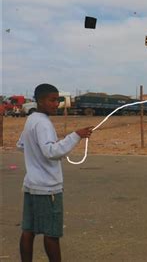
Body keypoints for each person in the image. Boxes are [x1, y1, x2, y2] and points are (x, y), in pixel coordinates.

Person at [16, 83, 93, 262]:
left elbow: (21, 145)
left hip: (31, 185)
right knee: (51, 234)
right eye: (51, 100)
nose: (56, 104)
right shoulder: (43, 123)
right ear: (40, 101)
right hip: (47, 189)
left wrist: (37, 153)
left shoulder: (31, 119)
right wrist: (76, 135)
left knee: (29, 230)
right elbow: (51, 152)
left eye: (57, 100)